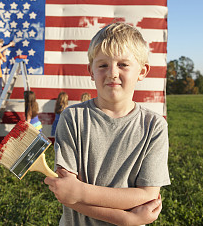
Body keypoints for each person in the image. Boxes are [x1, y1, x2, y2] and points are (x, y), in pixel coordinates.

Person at [44, 22, 170, 226]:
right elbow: (67, 192)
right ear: (91, 71)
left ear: (142, 71)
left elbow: (147, 195)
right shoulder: (73, 118)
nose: (112, 72)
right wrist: (127, 218)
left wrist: (81, 192)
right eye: (103, 65)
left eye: (123, 64)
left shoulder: (154, 126)